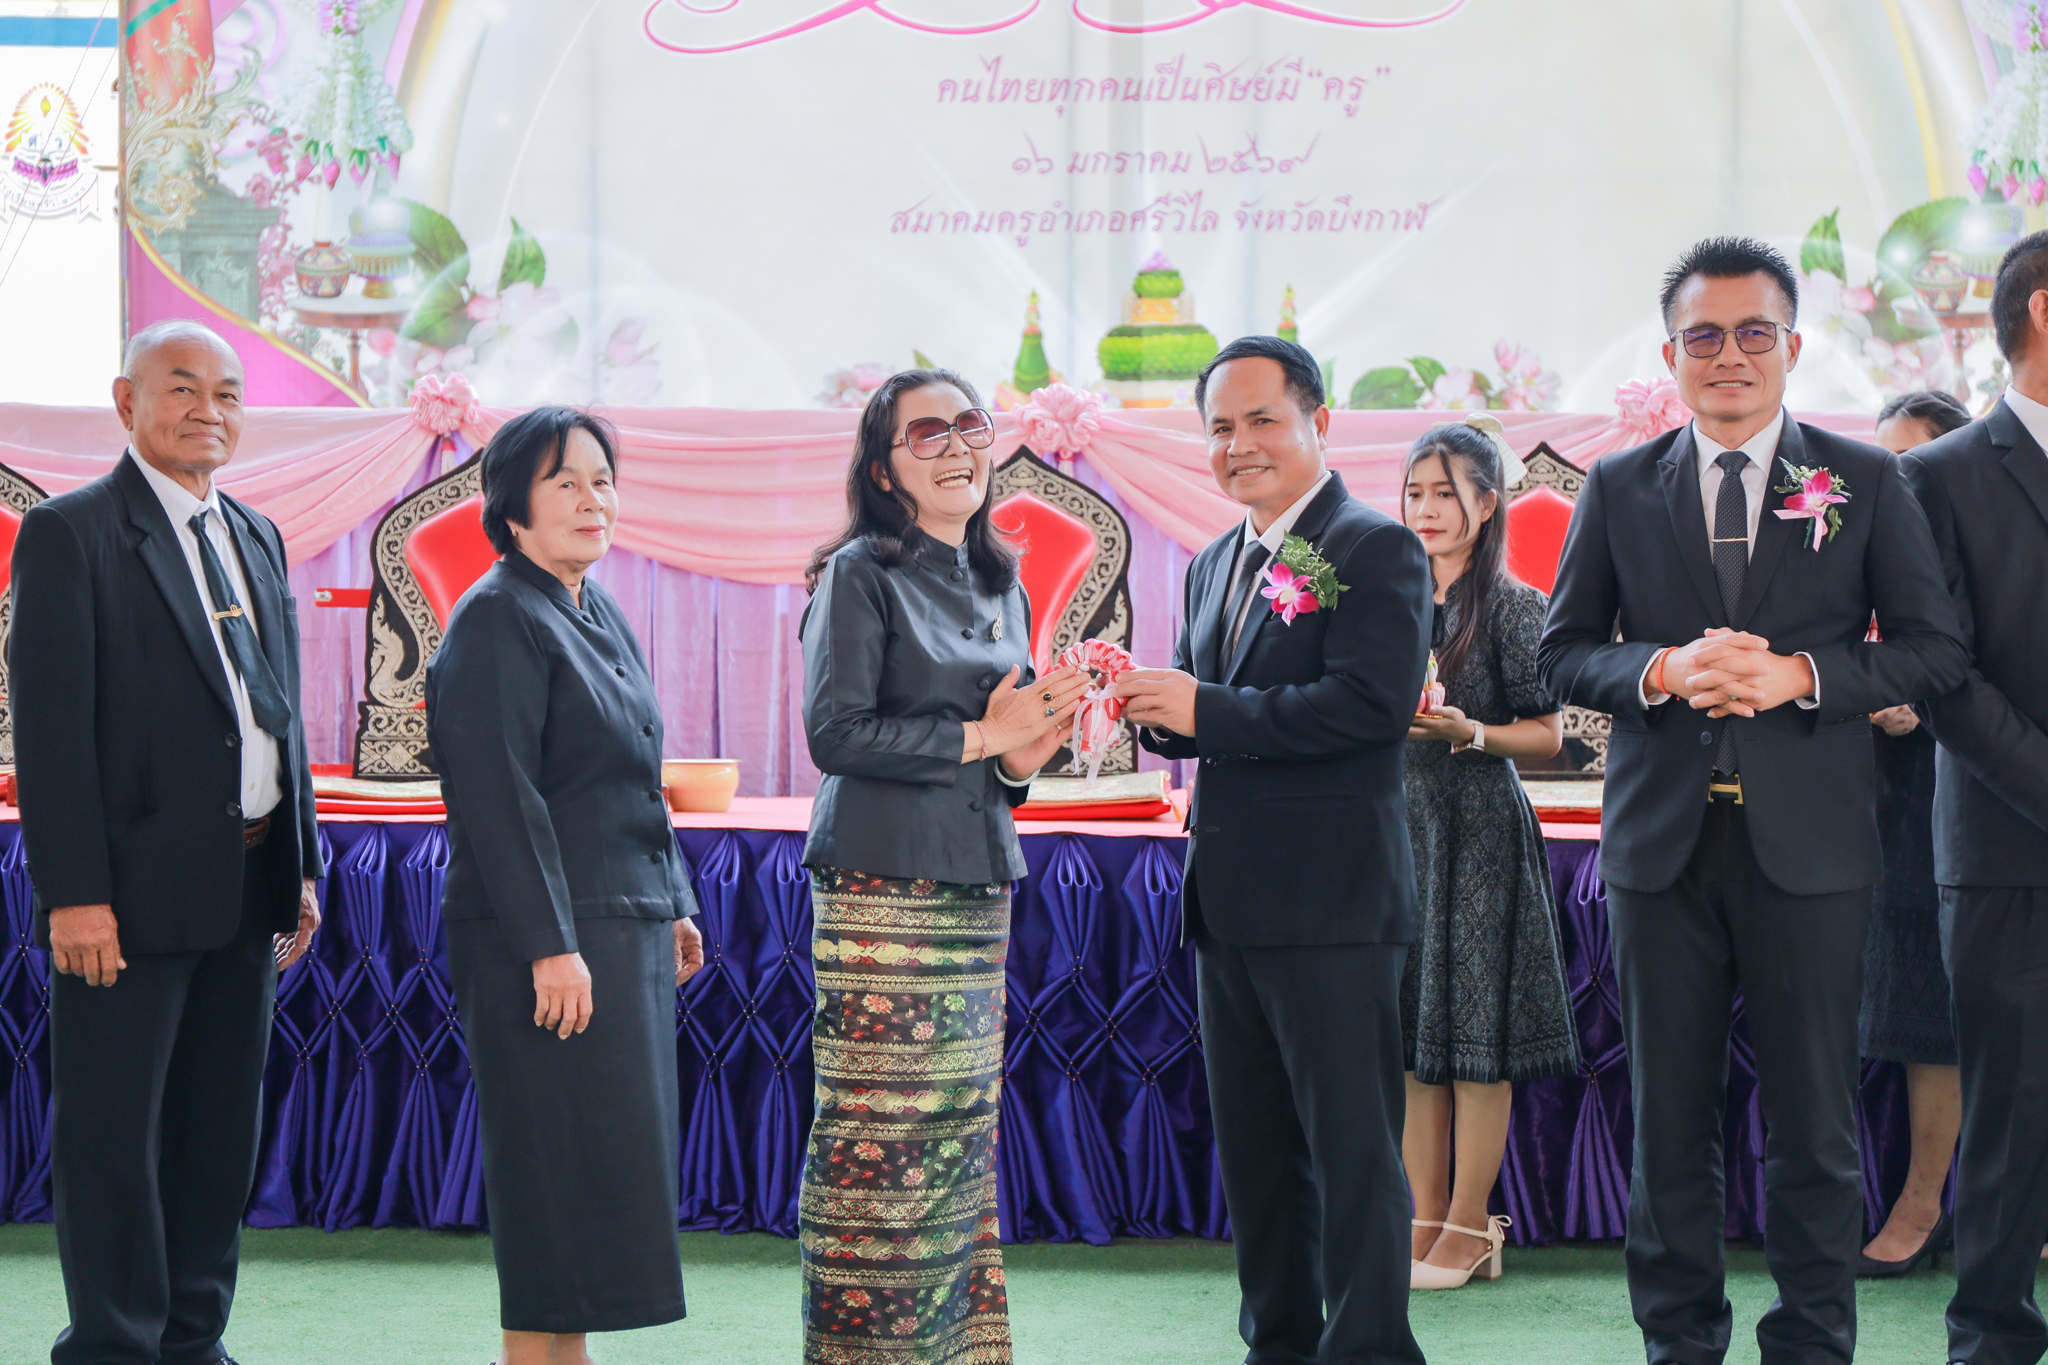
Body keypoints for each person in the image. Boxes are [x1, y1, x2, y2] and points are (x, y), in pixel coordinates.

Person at [1537, 237, 1968, 1365]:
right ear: (1669, 355)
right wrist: (1661, 669)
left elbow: (1931, 648)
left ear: (1792, 345)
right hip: (1660, 850)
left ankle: (1812, 1342)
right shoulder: (1619, 487)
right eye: (1703, 336)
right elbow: (1562, 651)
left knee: (1814, 1126)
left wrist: (1803, 678)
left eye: (1752, 332)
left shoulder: (1863, 478)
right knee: (1668, 1123)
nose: (1728, 355)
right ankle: (1678, 1343)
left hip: (1813, 848)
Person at [9, 319, 324, 1365]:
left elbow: (279, 712)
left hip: (248, 881)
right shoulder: (73, 533)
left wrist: (301, 864)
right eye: (182, 387)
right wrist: (74, 896)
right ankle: (113, 1343)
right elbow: (50, 736)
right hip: (126, 900)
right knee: (114, 1139)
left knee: (216, 1135)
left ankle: (193, 1338)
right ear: (126, 401)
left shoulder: (255, 533)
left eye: (227, 393)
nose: (208, 410)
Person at [1117, 336, 1433, 1364]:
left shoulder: (1375, 547)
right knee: (1256, 1156)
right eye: (1219, 427)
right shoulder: (1215, 560)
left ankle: (1369, 1348)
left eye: (1260, 420)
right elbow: (1210, 710)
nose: (1237, 444)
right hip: (1229, 901)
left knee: (1351, 1152)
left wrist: (1203, 707)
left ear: (1318, 423)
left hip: (1334, 903)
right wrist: (1147, 707)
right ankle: (1279, 1343)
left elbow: (1370, 706)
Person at [797, 368, 1089, 1365]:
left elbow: (999, 755)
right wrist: (983, 738)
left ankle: (952, 1351)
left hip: (975, 880)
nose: (957, 445)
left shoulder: (1001, 578)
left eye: (969, 424)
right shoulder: (857, 573)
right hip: (882, 885)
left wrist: (1025, 751)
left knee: (958, 1134)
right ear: (884, 470)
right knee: (880, 1134)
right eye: (927, 433)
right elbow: (835, 734)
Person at [424, 406, 705, 1365]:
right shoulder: (497, 614)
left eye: (603, 479)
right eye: (565, 482)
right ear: (512, 508)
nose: (594, 500)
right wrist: (550, 945)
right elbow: (498, 797)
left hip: (619, 926)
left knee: (600, 1170)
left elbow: (635, 770)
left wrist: (673, 900)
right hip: (546, 941)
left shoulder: (593, 605)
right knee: (551, 1166)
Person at [1898, 232, 2048, 1365]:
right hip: (2008, 849)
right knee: (2012, 1118)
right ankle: (1992, 1337)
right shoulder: (1940, 475)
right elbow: (1943, 676)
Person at [1398, 414, 1579, 1291]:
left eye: (1446, 492)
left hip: (1479, 831)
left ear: (1488, 502)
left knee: (1476, 1038)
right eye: (1415, 492)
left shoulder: (1514, 604)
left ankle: (1473, 1225)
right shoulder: (1388, 598)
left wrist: (1469, 730)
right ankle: (1423, 1217)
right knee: (1412, 1039)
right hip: (1402, 829)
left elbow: (1551, 733)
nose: (1426, 509)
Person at [1858, 389, 1973, 1279]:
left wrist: (1926, 703)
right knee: (1911, 1001)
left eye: (1910, 464)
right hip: (1881, 796)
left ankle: (1935, 1201)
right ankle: (1925, 1197)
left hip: (1974, 786)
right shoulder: (1853, 545)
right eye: (1882, 463)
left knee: (1956, 1002)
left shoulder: (1987, 545)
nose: (1892, 482)